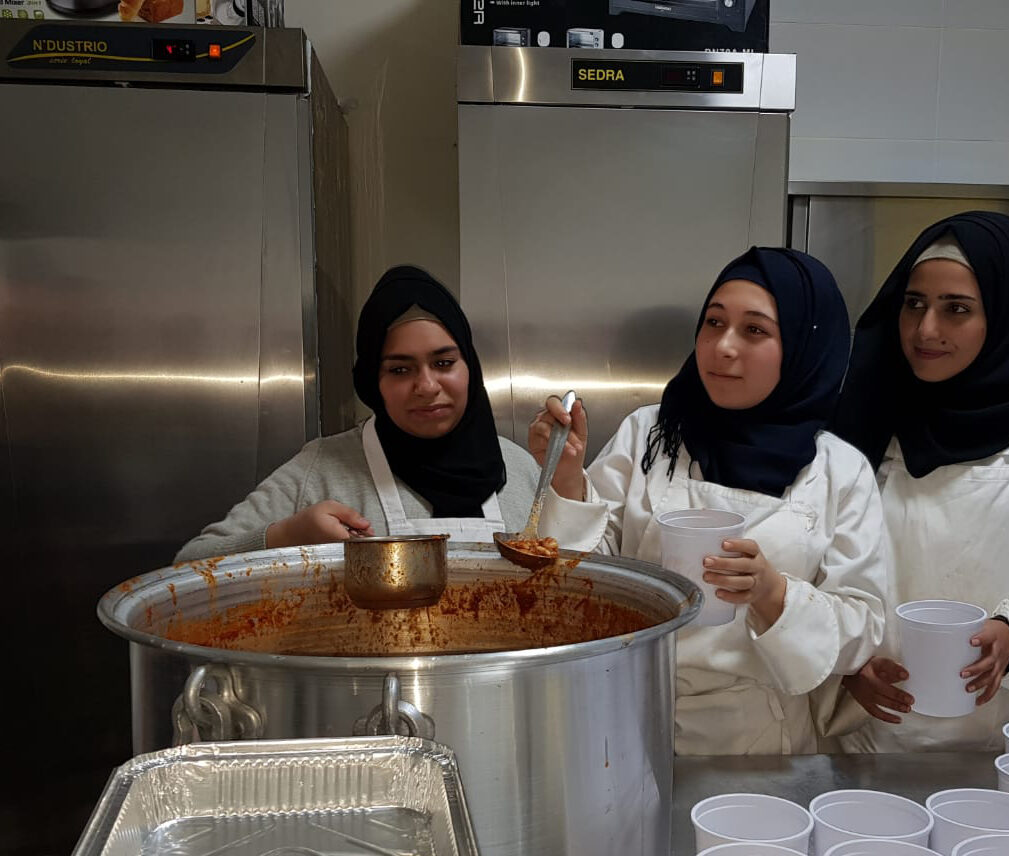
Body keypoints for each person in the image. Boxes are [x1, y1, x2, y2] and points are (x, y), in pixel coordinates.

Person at [529, 247, 888, 755]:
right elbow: (576, 578)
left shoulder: (838, 469)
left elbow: (863, 626)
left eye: (755, 330)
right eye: (714, 322)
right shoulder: (648, 434)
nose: (722, 347)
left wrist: (772, 593)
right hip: (625, 715)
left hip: (759, 741)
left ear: (806, 347)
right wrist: (566, 480)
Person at [831, 211, 1009, 751]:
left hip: (999, 744)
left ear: (1004, 317)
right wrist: (844, 663)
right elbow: (813, 565)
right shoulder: (861, 415)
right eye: (914, 304)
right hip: (859, 735)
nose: (926, 330)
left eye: (956, 309)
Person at [176, 266, 539, 561]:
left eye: (444, 362)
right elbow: (190, 563)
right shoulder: (322, 470)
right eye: (400, 369)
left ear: (470, 368)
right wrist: (286, 536)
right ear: (371, 381)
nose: (427, 386)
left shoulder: (521, 470)